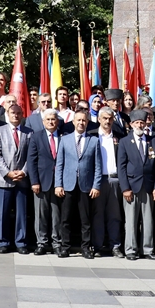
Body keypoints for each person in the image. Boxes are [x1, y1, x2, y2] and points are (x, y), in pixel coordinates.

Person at [117, 109, 155, 260]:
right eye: (136, 122)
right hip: (131, 186)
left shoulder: (153, 141)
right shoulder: (124, 142)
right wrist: (125, 188)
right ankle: (130, 250)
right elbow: (121, 167)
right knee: (130, 220)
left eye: (142, 123)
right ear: (131, 124)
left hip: (149, 187)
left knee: (148, 219)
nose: (139, 125)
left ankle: (148, 250)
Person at [55, 109, 101, 258]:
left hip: (86, 185)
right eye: (79, 120)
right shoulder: (65, 139)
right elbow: (60, 164)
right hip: (68, 184)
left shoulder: (94, 141)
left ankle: (86, 247)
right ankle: (65, 246)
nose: (81, 123)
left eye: (84, 120)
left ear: (87, 122)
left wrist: (96, 185)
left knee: (85, 219)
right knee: (66, 218)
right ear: (73, 122)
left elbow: (98, 166)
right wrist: (58, 184)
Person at [0, 102, 33, 254]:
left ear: (22, 115)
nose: (15, 115)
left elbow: (31, 155)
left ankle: (21, 242)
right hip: (4, 179)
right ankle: (3, 242)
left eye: (18, 113)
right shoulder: (0, 131)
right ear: (7, 115)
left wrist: (23, 172)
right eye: (13, 113)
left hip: (22, 179)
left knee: (21, 213)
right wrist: (8, 173)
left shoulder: (29, 132)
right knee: (3, 213)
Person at [28, 107, 64, 256]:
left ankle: (56, 243)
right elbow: (31, 161)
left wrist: (61, 183)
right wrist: (34, 181)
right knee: (41, 215)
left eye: (53, 119)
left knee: (57, 215)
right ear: (43, 122)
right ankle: (41, 243)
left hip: (58, 183)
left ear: (57, 121)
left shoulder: (64, 137)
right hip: (41, 183)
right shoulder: (36, 137)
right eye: (48, 119)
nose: (51, 122)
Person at [91, 109, 123, 256]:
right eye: (104, 118)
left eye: (110, 118)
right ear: (99, 119)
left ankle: (115, 246)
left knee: (115, 215)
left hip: (115, 179)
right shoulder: (92, 136)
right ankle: (97, 246)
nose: (107, 121)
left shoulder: (120, 137)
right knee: (97, 215)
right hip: (98, 180)